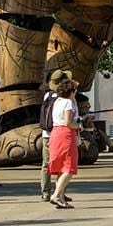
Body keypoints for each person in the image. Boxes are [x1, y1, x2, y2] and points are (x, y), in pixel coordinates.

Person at [47, 77, 80, 209]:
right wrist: (78, 126)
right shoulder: (68, 103)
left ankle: (60, 197)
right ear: (71, 91)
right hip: (66, 134)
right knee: (70, 167)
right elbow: (68, 122)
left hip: (55, 133)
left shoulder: (57, 101)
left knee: (61, 167)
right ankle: (56, 195)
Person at [40, 69, 71, 202]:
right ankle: (60, 192)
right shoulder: (64, 98)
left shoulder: (47, 96)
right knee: (64, 164)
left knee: (46, 163)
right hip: (60, 133)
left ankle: (46, 192)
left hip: (47, 133)